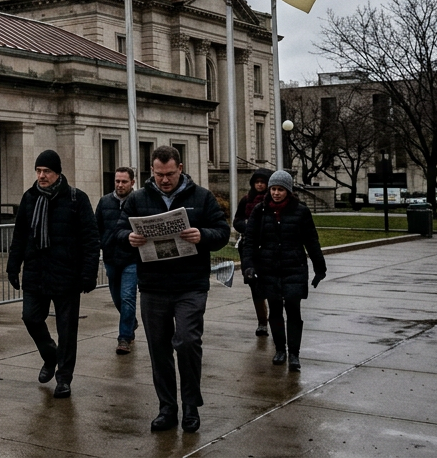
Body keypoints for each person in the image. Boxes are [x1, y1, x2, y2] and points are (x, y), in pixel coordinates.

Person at [115, 145, 230, 433]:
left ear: (180, 168)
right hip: (153, 286)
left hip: (190, 285)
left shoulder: (201, 197)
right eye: (158, 174)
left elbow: (222, 233)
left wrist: (201, 235)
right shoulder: (138, 198)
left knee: (188, 341)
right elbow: (115, 231)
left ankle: (191, 406)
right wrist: (128, 237)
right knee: (159, 348)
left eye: (169, 174)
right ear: (151, 171)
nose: (164, 180)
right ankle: (167, 408)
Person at [6, 149, 99, 399]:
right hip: (36, 272)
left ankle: (64, 378)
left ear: (57, 173)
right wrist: (13, 266)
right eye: (38, 171)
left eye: (46, 171)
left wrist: (89, 273)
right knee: (30, 317)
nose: (41, 176)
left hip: (66, 274)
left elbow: (90, 239)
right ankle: (50, 355)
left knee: (67, 329)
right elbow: (20, 236)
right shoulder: (29, 197)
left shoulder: (76, 199)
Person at [238, 170, 326, 372]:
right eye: (273, 189)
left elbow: (311, 241)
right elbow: (250, 242)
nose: (276, 193)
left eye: (280, 189)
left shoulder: (301, 211)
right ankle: (280, 349)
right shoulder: (259, 211)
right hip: (268, 267)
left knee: (293, 310)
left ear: (288, 190)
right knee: (275, 310)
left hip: (293, 266)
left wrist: (319, 267)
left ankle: (294, 353)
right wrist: (248, 266)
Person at [97, 166, 139, 354]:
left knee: (127, 296)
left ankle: (124, 338)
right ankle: (131, 322)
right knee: (117, 298)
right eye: (117, 181)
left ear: (132, 182)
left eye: (124, 181)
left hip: (131, 257)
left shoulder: (138, 202)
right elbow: (96, 227)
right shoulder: (105, 202)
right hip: (110, 257)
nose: (120, 185)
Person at [234, 168, 273, 337]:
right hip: (249, 247)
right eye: (256, 182)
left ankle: (274, 319)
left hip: (268, 249)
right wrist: (248, 227)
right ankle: (262, 322)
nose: (259, 185)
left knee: (270, 286)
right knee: (254, 285)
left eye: (262, 182)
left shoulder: (273, 200)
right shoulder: (246, 199)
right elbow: (237, 220)